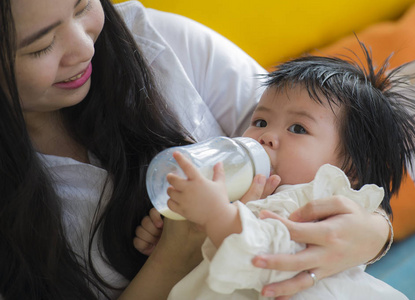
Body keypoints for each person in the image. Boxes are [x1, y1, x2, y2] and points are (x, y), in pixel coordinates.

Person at [0, 0, 392, 298]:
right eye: (41, 46)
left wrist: (372, 230)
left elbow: (337, 151)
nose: (85, 48)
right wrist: (170, 251)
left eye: (83, 6)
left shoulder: (162, 41)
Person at [136, 45, 415, 299]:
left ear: (349, 169)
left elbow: (272, 255)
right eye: (261, 121)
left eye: (298, 128)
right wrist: (171, 238)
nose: (266, 137)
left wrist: (214, 215)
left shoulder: (316, 203)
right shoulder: (242, 193)